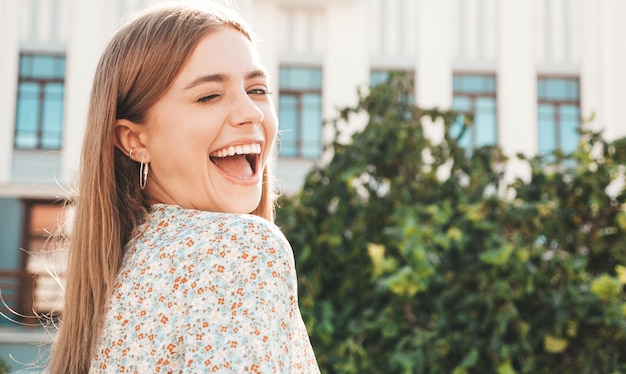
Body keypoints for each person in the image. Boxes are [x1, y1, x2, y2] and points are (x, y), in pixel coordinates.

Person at [47, 1, 319, 372]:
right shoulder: (238, 249)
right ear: (134, 140)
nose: (252, 113)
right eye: (209, 95)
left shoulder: (116, 276)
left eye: (257, 90)